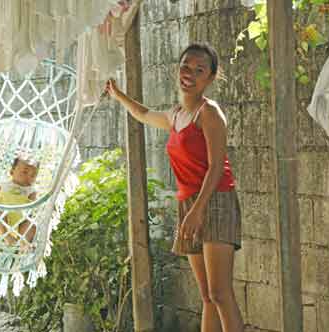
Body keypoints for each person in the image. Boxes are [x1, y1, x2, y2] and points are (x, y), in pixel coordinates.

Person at [105, 43, 244, 332]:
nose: (189, 73)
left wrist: (196, 211)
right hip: (189, 203)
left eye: (199, 69)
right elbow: (143, 114)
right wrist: (117, 95)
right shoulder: (175, 114)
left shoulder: (209, 113)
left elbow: (217, 166)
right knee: (206, 296)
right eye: (185, 66)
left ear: (210, 78)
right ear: (176, 68)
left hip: (215, 199)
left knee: (220, 293)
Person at [0, 157, 38, 248]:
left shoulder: (31, 191)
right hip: (2, 220)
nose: (29, 177)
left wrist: (33, 198)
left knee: (31, 224)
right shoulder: (2, 185)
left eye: (33, 175)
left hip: (20, 220)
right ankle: (7, 236)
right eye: (25, 172)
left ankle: (24, 243)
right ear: (12, 172)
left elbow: (32, 209)